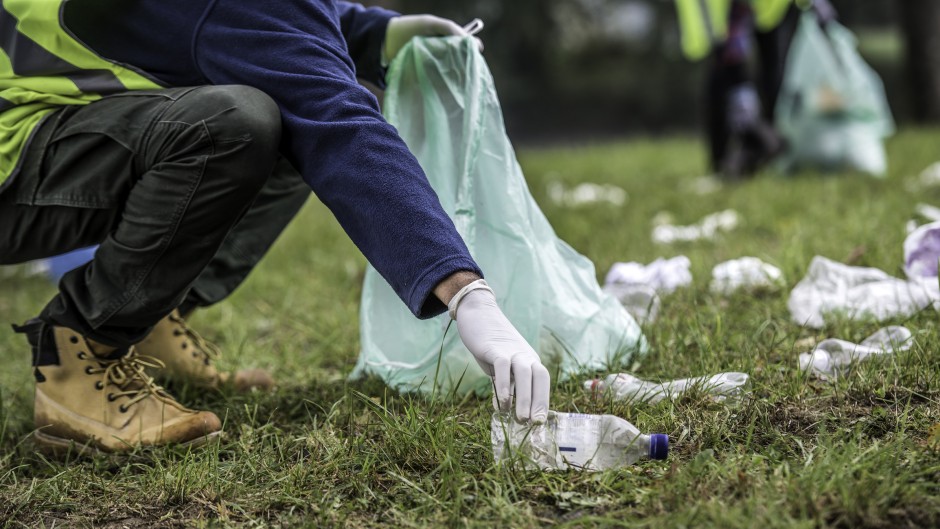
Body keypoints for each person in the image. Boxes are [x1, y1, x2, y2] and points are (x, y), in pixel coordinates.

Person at [0, 0, 550, 454]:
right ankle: (81, 352)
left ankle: (150, 323)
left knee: (272, 115)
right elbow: (334, 120)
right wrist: (466, 293)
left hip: (40, 130)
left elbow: (265, 23)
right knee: (235, 124)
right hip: (12, 167)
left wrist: (379, 32)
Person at [674, 0, 835, 178]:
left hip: (764, 8)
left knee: (764, 71)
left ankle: (758, 148)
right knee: (734, 71)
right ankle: (739, 155)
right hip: (738, 9)